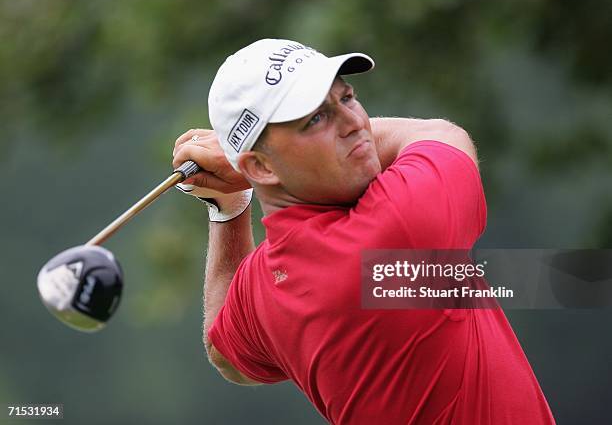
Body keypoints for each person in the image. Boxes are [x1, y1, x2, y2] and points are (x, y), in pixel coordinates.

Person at [171, 39, 555, 424]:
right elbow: (441, 134)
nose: (354, 123)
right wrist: (239, 165)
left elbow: (225, 354)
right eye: (316, 119)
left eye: (348, 97)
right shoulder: (398, 231)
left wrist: (230, 208)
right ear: (261, 167)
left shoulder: (264, 287)